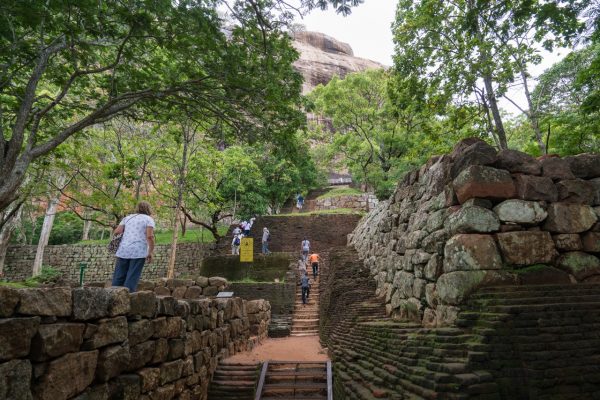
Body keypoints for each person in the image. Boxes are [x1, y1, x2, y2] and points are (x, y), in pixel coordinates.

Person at [112, 201, 155, 292]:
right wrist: (150, 252)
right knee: (132, 276)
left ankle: (113, 296)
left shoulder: (127, 218)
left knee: (119, 275)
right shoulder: (148, 219)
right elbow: (149, 236)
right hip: (138, 251)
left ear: (137, 208)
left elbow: (116, 232)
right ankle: (128, 298)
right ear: (149, 209)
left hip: (123, 250)